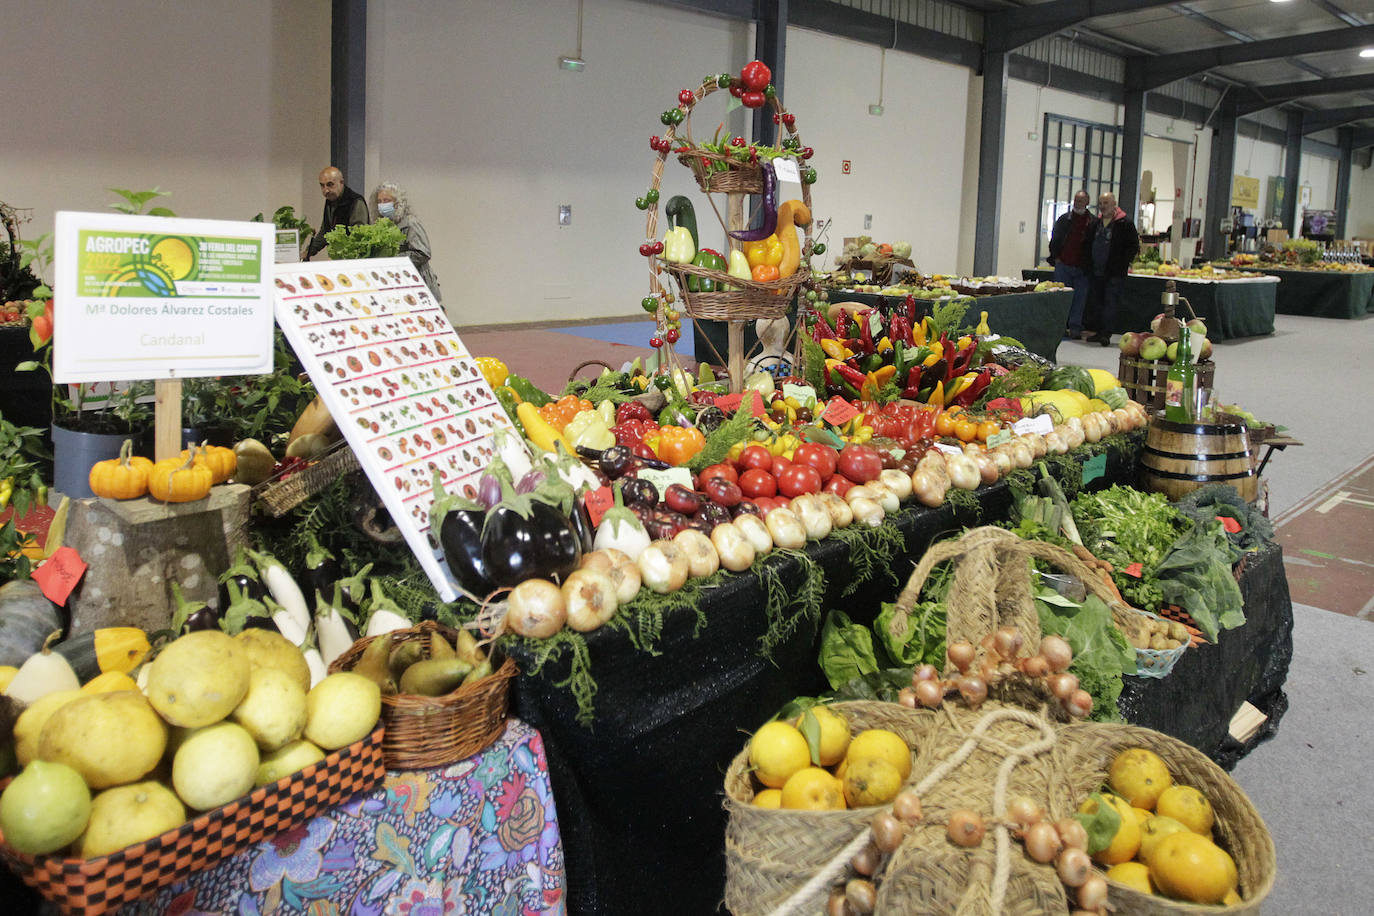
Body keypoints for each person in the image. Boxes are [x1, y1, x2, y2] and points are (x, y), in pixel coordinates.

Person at [372, 181, 442, 303]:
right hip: (397, 281)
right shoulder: (381, 225)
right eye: (379, 201)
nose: (382, 205)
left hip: (417, 281)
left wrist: (394, 259)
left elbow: (423, 253)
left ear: (397, 202)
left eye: (386, 201)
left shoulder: (410, 223)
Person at [1085, 192, 1139, 347]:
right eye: (1101, 203)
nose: (1103, 206)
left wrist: (1122, 262)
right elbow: (1088, 244)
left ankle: (1106, 334)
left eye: (1106, 203)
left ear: (1114, 204)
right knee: (1097, 302)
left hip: (1115, 273)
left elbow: (1133, 246)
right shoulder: (1095, 223)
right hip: (1096, 271)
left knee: (1110, 303)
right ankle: (1097, 331)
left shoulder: (1125, 223)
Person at [1046, 190, 1097, 339]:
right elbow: (1055, 239)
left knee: (1079, 300)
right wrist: (1056, 257)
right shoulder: (1064, 220)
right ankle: (1059, 327)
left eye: (1081, 201)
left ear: (1087, 202)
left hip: (1082, 267)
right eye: (1076, 200)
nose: (1078, 203)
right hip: (1063, 265)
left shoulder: (1093, 222)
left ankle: (1075, 328)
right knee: (1061, 298)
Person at [306, 166, 370, 259]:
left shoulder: (355, 201)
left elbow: (359, 237)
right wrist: (307, 252)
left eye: (330, 184)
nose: (325, 190)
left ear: (341, 182)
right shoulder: (330, 200)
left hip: (353, 261)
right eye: (322, 185)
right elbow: (325, 232)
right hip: (338, 259)